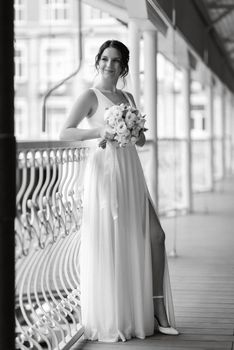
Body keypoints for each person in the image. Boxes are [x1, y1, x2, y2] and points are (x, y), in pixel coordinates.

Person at [60, 40, 179, 342]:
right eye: (104, 59)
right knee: (114, 243)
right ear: (97, 61)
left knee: (155, 235)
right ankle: (118, 315)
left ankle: (157, 309)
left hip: (130, 172)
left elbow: (138, 143)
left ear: (124, 66)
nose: (109, 65)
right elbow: (66, 132)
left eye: (115, 61)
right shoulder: (90, 95)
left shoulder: (126, 96)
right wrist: (100, 131)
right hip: (106, 174)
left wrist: (134, 128)